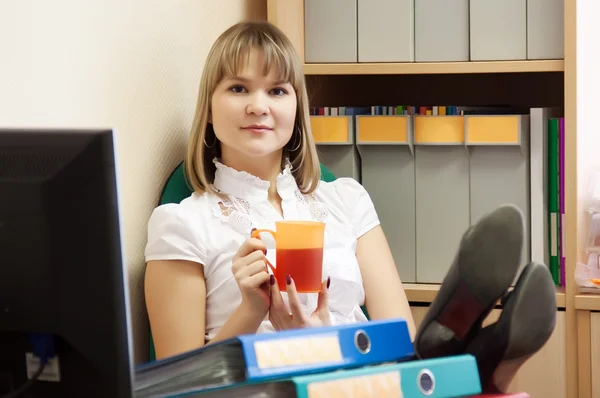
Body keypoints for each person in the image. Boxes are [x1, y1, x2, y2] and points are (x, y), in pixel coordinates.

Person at [143, 20, 416, 361]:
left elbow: (404, 347)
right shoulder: (181, 223)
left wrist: (324, 345)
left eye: (277, 91)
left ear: (296, 110)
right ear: (209, 109)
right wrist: (251, 311)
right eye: (238, 88)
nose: (258, 106)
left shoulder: (347, 200)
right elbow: (177, 384)